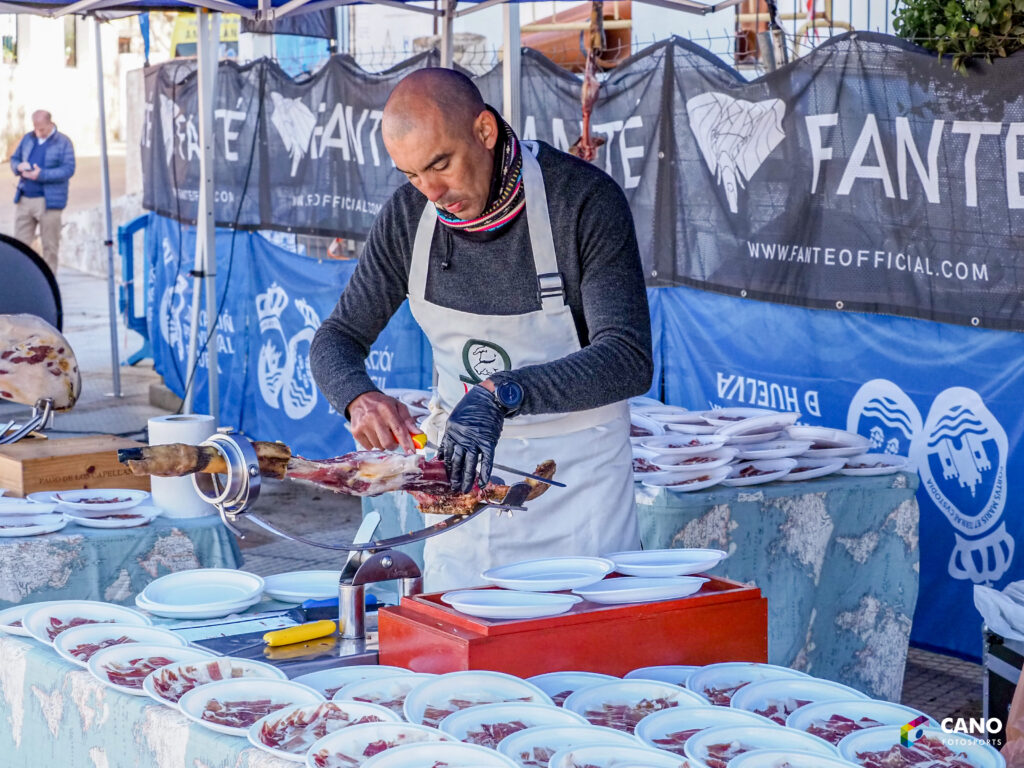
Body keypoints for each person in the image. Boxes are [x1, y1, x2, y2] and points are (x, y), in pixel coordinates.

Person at [310, 68, 652, 590]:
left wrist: (501, 393)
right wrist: (357, 397)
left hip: (580, 491)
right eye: (412, 175)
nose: (433, 191)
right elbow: (337, 337)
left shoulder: (581, 201)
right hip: (464, 490)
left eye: (441, 165)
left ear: (485, 132)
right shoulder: (409, 218)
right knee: (469, 657)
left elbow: (627, 358)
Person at [9, 110, 76, 275]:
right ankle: (21, 279)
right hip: (25, 198)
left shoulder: (63, 142)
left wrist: (42, 174)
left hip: (49, 202)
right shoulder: (28, 139)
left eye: (42, 128)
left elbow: (68, 169)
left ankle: (49, 280)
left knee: (50, 246)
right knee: (20, 244)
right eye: (35, 127)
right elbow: (14, 159)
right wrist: (18, 167)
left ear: (50, 123)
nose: (38, 131)